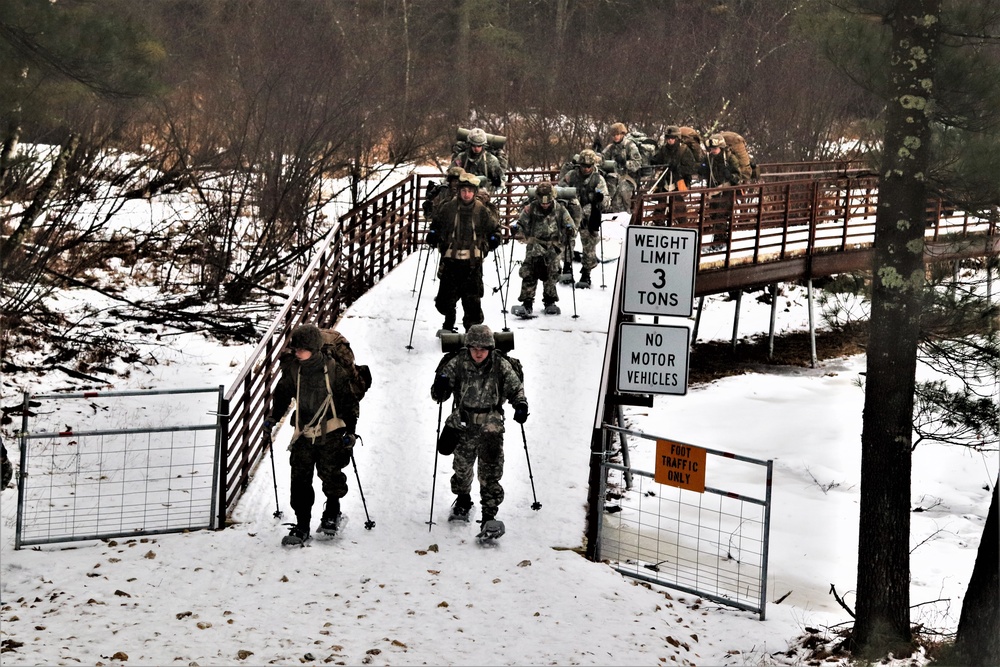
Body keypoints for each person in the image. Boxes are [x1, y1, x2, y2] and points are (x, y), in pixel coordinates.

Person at [266, 324, 362, 546]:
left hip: (331, 433)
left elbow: (349, 403)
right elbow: (283, 393)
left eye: (301, 349)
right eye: (295, 349)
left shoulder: (333, 370)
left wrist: (351, 432)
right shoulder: (294, 370)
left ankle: (332, 511)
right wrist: (274, 417)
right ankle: (301, 525)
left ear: (313, 348)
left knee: (331, 475)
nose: (297, 353)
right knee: (299, 479)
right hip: (304, 434)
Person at [430, 323, 527, 537]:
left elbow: (515, 387)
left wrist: (520, 405)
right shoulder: (458, 362)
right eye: (474, 348)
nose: (479, 353)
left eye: (483, 349)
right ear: (468, 347)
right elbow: (439, 396)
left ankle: (489, 516)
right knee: (462, 468)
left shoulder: (499, 364)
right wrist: (440, 386)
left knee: (490, 471)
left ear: (490, 348)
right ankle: (463, 499)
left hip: (490, 424)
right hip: (463, 422)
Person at [426, 172, 502, 335]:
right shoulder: (448, 208)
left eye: (470, 191)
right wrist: (433, 234)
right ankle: (448, 324)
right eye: (463, 191)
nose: (466, 194)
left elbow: (495, 228)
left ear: (474, 192)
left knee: (472, 302)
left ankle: (471, 332)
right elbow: (436, 224)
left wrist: (495, 238)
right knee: (445, 301)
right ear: (459, 191)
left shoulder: (481, 211)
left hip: (472, 264)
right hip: (451, 261)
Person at [511, 181, 576, 316]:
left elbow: (571, 225)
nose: (545, 205)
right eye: (542, 202)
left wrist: (569, 230)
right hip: (535, 244)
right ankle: (527, 302)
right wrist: (517, 229)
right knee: (529, 271)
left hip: (553, 246)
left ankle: (550, 300)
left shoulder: (560, 209)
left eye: (547, 202)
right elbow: (521, 223)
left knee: (552, 273)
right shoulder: (530, 209)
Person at [557, 149, 608, 288]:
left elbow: (607, 201)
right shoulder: (571, 176)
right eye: (583, 166)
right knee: (567, 240)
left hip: (589, 215)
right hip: (572, 213)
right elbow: (559, 191)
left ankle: (586, 273)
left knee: (589, 244)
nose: (586, 169)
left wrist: (600, 199)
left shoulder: (598, 179)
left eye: (589, 166)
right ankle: (567, 267)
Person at [698, 134, 742, 247]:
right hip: (713, 192)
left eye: (715, 148)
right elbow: (702, 171)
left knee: (721, 216)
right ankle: (721, 239)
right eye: (712, 148)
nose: (713, 151)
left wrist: (730, 176)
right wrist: (701, 168)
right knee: (714, 215)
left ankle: (718, 242)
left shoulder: (730, 158)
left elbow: (738, 176)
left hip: (726, 192)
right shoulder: (708, 158)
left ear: (721, 147)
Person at [649, 125, 697, 226]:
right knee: (660, 209)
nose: (670, 140)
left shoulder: (684, 150)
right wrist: (653, 161)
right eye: (668, 138)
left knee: (680, 211)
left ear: (677, 138)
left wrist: (677, 168)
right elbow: (657, 160)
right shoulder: (663, 150)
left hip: (679, 183)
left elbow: (691, 168)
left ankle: (682, 231)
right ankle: (659, 230)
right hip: (665, 183)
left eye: (672, 138)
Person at [601, 122, 642, 213]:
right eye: (614, 135)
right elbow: (602, 159)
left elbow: (638, 163)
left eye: (618, 134)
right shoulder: (611, 147)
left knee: (621, 191)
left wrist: (625, 163)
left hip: (629, 178)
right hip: (613, 177)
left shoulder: (630, 146)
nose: (616, 137)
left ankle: (625, 214)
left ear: (623, 134)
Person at [451, 127, 505, 195]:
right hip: (464, 193)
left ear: (483, 145)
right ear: (470, 144)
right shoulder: (462, 157)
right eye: (474, 146)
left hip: (483, 194)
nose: (476, 149)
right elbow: (451, 172)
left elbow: (501, 179)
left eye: (479, 146)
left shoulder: (491, 160)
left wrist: (497, 182)